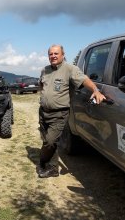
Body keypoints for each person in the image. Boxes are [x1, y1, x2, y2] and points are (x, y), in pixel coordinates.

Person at [37, 44, 105, 178]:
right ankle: (53, 169)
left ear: (62, 55)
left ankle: (43, 160)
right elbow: (41, 84)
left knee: (50, 141)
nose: (53, 56)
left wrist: (96, 90)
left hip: (59, 113)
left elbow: (84, 79)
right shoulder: (45, 70)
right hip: (43, 111)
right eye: (50, 54)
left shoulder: (70, 69)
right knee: (48, 140)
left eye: (56, 53)